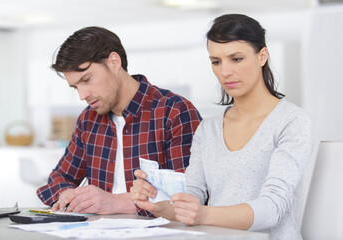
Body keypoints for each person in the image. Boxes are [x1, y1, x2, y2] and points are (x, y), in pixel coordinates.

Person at [130, 14, 313, 240]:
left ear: (262, 56)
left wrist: (201, 215)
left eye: (236, 59)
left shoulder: (292, 121)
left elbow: (273, 208)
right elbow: (193, 196)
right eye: (216, 61)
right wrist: (159, 205)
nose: (225, 71)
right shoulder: (208, 129)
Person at [36, 26, 202, 216]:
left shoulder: (174, 111)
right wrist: (66, 193)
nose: (83, 95)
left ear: (114, 62)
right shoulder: (88, 119)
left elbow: (190, 196)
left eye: (87, 79)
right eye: (76, 87)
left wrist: (115, 203)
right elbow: (59, 178)